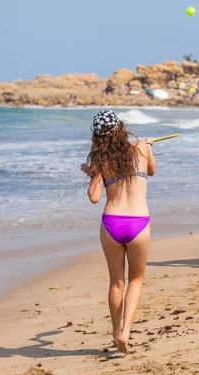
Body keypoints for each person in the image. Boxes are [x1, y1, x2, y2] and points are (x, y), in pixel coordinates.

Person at [81, 110, 156, 353]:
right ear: (121, 127)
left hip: (111, 223)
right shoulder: (143, 148)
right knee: (136, 279)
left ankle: (114, 335)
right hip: (138, 223)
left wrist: (94, 174)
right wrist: (147, 145)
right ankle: (126, 332)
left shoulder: (101, 161)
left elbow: (94, 198)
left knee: (116, 282)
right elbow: (152, 171)